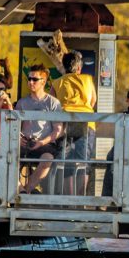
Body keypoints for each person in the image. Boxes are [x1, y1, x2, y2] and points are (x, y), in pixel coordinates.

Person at [50, 51, 97, 195]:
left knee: (66, 162)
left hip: (65, 124)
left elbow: (52, 103)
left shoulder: (57, 82)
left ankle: (69, 199)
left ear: (64, 67)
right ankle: (80, 199)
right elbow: (93, 101)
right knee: (85, 162)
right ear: (79, 68)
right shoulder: (88, 79)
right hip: (86, 123)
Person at [16, 64, 64, 194]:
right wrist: (18, 139)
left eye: (35, 79)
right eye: (29, 79)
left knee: (48, 158)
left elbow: (58, 130)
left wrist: (41, 142)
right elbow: (14, 127)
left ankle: (26, 191)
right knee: (8, 156)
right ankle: (21, 190)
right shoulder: (22, 102)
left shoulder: (53, 103)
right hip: (24, 143)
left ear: (43, 81)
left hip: (44, 144)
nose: (31, 82)